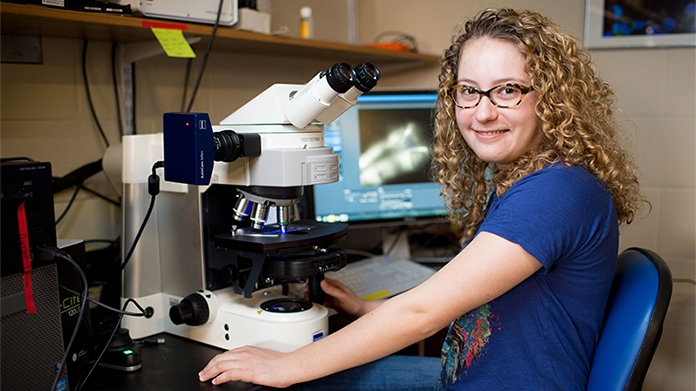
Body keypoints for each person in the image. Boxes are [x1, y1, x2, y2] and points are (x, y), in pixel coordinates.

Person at [199, 8, 646, 390]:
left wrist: (286, 365)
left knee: (283, 381)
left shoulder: (558, 190)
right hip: (471, 374)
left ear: (552, 99)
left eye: (508, 90)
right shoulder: (526, 178)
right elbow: (481, 304)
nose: (482, 111)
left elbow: (424, 313)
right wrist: (367, 308)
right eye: (468, 90)